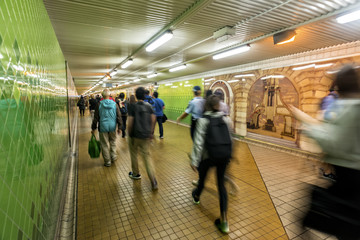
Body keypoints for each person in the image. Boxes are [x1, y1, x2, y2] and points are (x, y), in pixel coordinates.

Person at [289, 65, 360, 239]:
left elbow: (334, 143)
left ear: (339, 86)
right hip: (352, 177)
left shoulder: (348, 108)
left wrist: (307, 129)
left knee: (340, 219)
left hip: (348, 175)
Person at [190, 95, 233, 233]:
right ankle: (224, 222)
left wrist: (194, 161)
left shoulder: (203, 121)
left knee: (202, 179)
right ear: (219, 106)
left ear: (206, 106)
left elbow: (198, 143)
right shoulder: (226, 119)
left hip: (208, 157)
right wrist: (229, 156)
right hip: (223, 156)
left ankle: (196, 196)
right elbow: (231, 139)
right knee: (221, 186)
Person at [127, 87, 158, 190]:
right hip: (146, 136)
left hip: (135, 135)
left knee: (134, 154)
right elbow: (153, 119)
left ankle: (135, 174)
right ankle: (153, 180)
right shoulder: (149, 106)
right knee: (147, 157)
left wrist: (129, 134)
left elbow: (130, 122)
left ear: (136, 95)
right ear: (144, 95)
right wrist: (151, 132)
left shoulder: (132, 106)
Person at [91, 89, 122, 167]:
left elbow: (96, 117)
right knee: (113, 142)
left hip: (103, 127)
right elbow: (119, 116)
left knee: (104, 144)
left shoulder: (99, 104)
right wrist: (120, 127)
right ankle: (113, 156)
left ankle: (107, 161)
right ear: (110, 95)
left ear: (102, 95)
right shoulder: (115, 104)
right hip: (112, 126)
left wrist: (93, 128)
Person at [318, 86, 339, 181]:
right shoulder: (331, 99)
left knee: (328, 152)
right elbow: (326, 116)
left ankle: (324, 169)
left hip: (329, 130)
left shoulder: (332, 98)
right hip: (329, 130)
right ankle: (326, 172)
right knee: (329, 152)